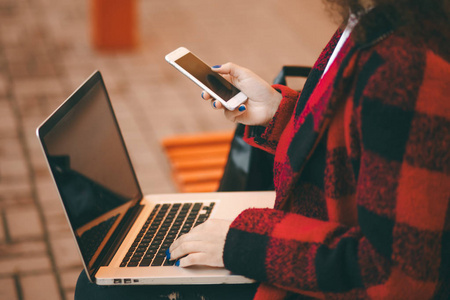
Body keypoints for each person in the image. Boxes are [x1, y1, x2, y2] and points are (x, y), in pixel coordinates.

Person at [76, 0, 450, 299]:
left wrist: (241, 242)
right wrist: (276, 111)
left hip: (318, 271)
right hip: (311, 233)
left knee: (97, 289)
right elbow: (353, 143)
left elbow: (395, 277)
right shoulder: (371, 17)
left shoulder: (409, 66)